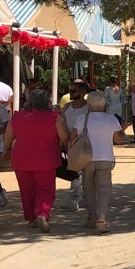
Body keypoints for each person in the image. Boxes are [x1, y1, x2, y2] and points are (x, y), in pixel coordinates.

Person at [3, 89, 61, 232]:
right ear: (47, 101)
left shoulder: (18, 117)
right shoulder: (55, 117)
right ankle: (42, 213)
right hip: (46, 159)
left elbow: (7, 139)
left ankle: (32, 219)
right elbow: (64, 137)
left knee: (27, 190)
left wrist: (7, 150)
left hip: (21, 159)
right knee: (45, 189)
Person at [67, 91, 124, 233]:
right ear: (104, 104)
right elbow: (118, 140)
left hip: (86, 158)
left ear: (89, 104)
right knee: (104, 189)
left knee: (88, 188)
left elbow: (72, 138)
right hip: (106, 157)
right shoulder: (111, 119)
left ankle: (92, 215)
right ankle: (102, 218)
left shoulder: (81, 119)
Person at [56, 78, 93, 211]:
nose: (71, 92)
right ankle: (76, 197)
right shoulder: (67, 107)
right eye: (70, 89)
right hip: (69, 142)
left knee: (85, 172)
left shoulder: (88, 107)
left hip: (83, 142)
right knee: (75, 170)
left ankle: (79, 198)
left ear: (83, 91)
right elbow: (62, 122)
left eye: (74, 90)